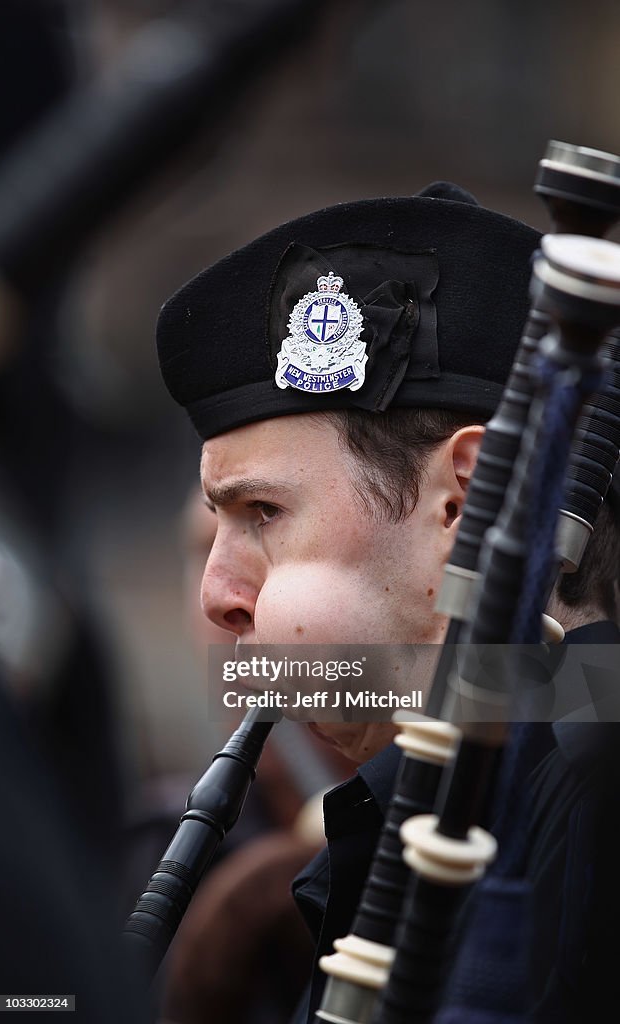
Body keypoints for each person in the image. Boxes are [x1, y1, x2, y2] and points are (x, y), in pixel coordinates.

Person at [155, 182, 620, 1023]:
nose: (217, 596)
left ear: (466, 502)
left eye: (263, 513)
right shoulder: (466, 791)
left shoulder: (593, 800)